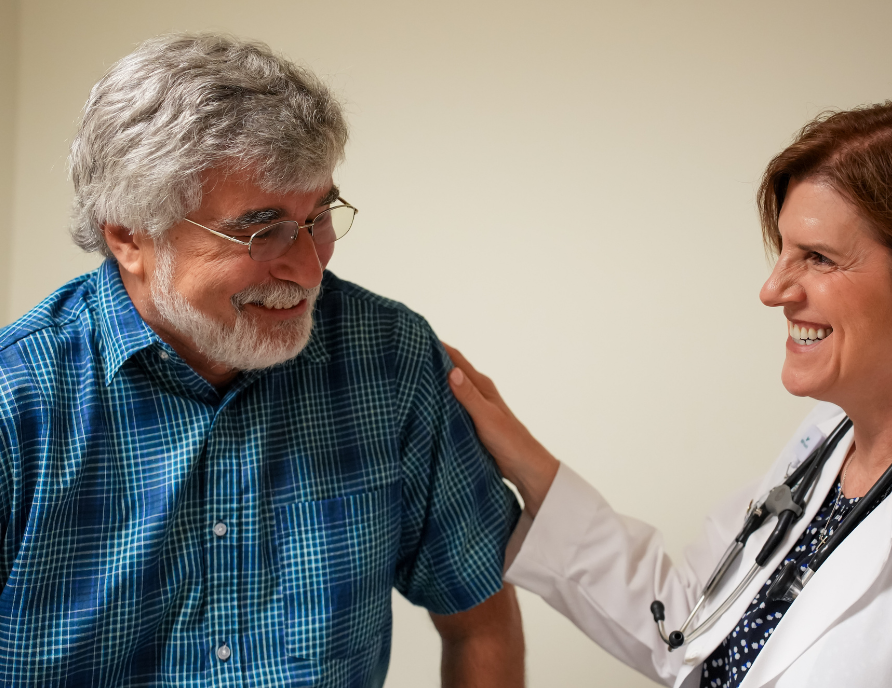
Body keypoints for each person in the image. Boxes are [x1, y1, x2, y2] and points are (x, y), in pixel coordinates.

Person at [0, 34, 524, 687]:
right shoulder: (13, 402)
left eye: (319, 215)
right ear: (130, 233)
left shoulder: (388, 358)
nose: (308, 268)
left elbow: (478, 618)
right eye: (260, 227)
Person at [446, 99, 892, 687]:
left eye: (818, 258)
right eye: (782, 250)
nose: (772, 289)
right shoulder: (824, 447)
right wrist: (527, 464)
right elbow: (691, 621)